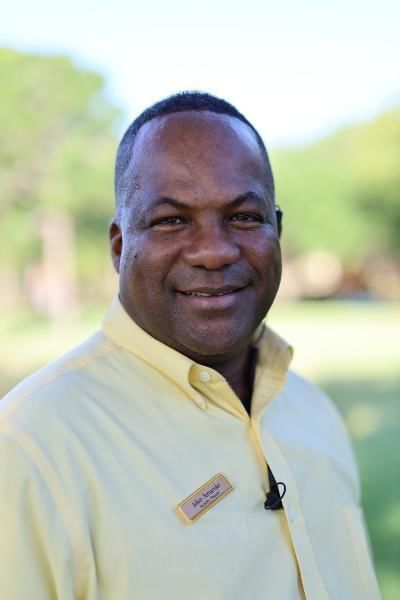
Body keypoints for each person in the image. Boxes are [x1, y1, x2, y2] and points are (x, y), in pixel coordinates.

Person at [0, 92, 380, 599]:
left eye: (244, 216)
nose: (214, 251)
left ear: (277, 231)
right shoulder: (31, 447)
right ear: (119, 247)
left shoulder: (314, 412)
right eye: (171, 220)